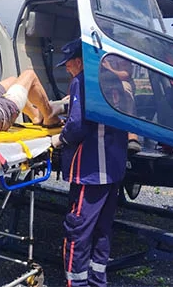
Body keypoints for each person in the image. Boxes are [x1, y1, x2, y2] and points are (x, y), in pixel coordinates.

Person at [50, 38, 128, 287]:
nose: (66, 68)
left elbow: (76, 126)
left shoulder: (81, 82)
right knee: (102, 229)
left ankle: (77, 283)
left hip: (91, 170)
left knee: (78, 229)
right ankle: (97, 280)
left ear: (80, 61)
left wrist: (59, 139)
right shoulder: (113, 80)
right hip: (113, 167)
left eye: (69, 63)